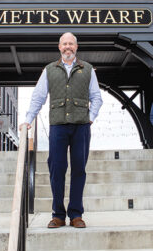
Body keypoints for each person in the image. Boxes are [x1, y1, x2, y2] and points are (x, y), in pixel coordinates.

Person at [20, 32, 103, 229]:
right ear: (59, 47)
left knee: (79, 170)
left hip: (81, 126)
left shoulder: (88, 69)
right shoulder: (49, 70)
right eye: (64, 44)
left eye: (71, 44)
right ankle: (58, 214)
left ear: (76, 47)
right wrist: (28, 119)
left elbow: (97, 97)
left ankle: (76, 214)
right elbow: (38, 96)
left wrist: (90, 118)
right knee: (56, 169)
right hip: (57, 126)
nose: (68, 47)